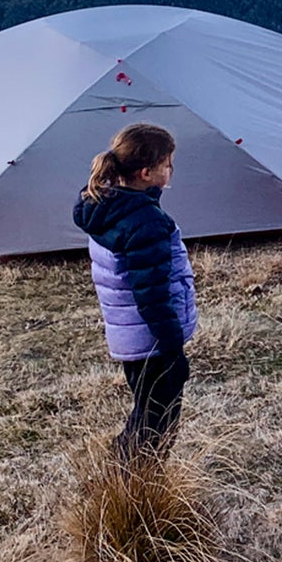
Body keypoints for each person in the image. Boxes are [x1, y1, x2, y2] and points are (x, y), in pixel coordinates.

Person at [72, 123, 197, 458]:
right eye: (167, 163)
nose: (171, 170)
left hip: (131, 338)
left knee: (145, 412)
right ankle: (134, 487)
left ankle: (121, 471)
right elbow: (152, 296)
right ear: (146, 173)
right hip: (152, 341)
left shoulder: (107, 205)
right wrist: (173, 350)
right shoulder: (145, 223)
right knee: (159, 421)